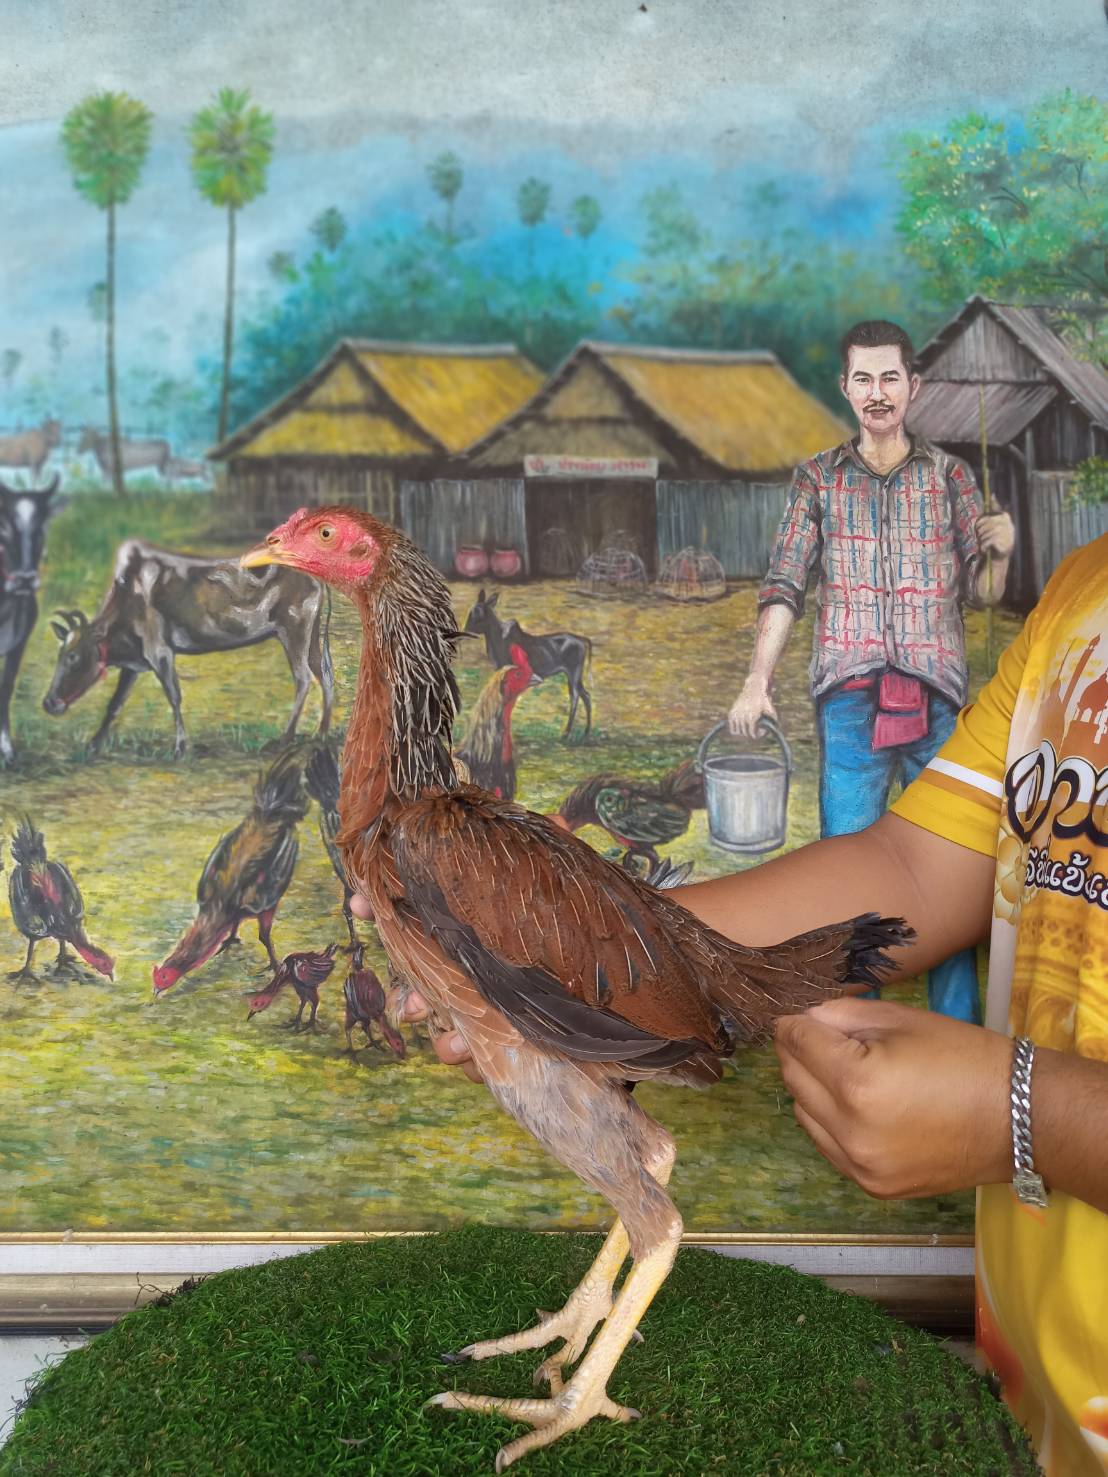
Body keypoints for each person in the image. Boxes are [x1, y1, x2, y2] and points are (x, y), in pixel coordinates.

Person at [359, 529, 1108, 1476]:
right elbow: (914, 865)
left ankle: (589, 1380)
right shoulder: (1082, 597)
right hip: (1032, 1406)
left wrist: (1028, 1115)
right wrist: (551, 936)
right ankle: (589, 1308)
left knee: (651, 1211)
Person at [728, 319, 1016, 1025]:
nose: (878, 392)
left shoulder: (951, 477)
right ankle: (857, 1031)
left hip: (937, 700)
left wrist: (1003, 552)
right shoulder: (817, 479)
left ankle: (955, 1030)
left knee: (950, 868)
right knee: (847, 876)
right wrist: (757, 680)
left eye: (890, 377)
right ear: (846, 387)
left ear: (913, 386)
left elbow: (984, 594)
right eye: (864, 378)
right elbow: (784, 585)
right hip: (850, 701)